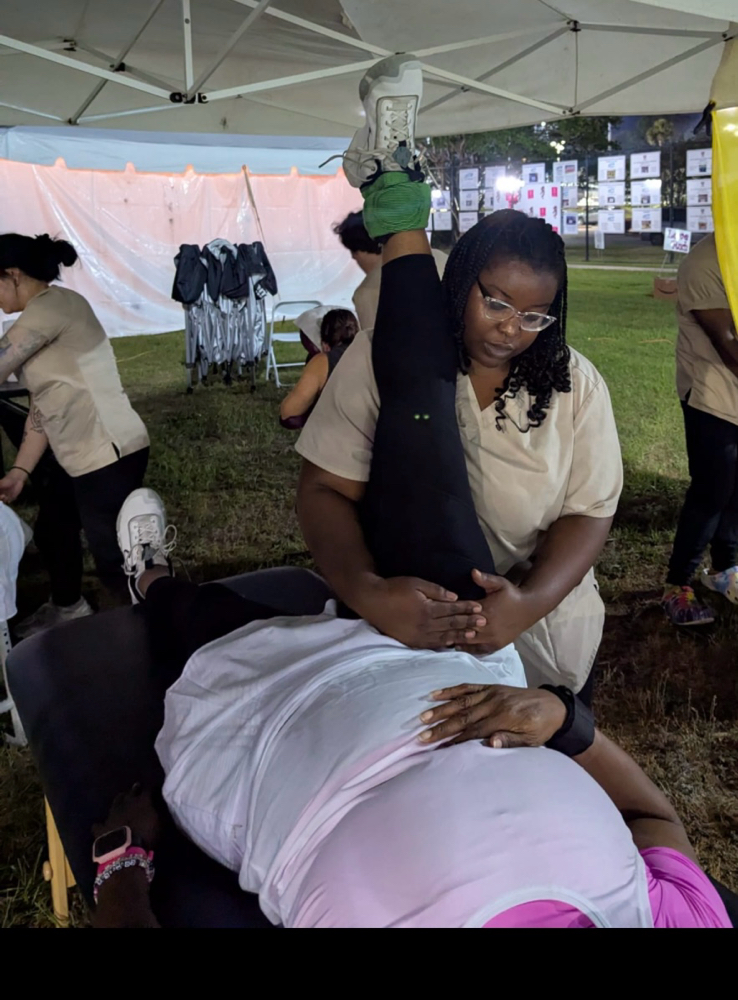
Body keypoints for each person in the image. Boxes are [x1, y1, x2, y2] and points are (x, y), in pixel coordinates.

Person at [89, 485, 730, 929]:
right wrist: (567, 721)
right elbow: (652, 817)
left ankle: (154, 581)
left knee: (216, 632)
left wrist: (121, 864)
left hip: (272, 740)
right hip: (456, 684)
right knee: (418, 572)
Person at [297, 59, 622, 700]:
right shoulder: (385, 360)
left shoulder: (573, 384)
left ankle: (392, 177)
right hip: (414, 629)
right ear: (460, 281)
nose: (509, 328)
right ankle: (395, 182)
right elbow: (322, 491)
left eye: (533, 316)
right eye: (495, 302)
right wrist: (368, 592)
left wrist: (526, 602)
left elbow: (589, 513)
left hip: (540, 635)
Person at [0, 234, 149, 634]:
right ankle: (69, 607)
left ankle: (141, 629)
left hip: (108, 452)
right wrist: (20, 471)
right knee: (53, 530)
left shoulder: (54, 307)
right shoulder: (46, 314)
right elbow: (43, 406)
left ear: (12, 275)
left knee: (113, 556)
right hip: (82, 454)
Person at [662, 234, 738, 626]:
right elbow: (728, 343)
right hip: (712, 397)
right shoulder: (703, 262)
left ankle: (726, 568)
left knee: (735, 488)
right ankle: (678, 585)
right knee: (712, 491)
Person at [333, 210, 447, 329]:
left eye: (354, 252)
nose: (353, 257)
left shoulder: (368, 291)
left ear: (360, 250)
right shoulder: (439, 259)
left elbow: (373, 343)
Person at [279, 309, 359, 429]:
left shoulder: (323, 362)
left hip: (337, 439)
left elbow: (288, 412)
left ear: (325, 345)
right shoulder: (375, 354)